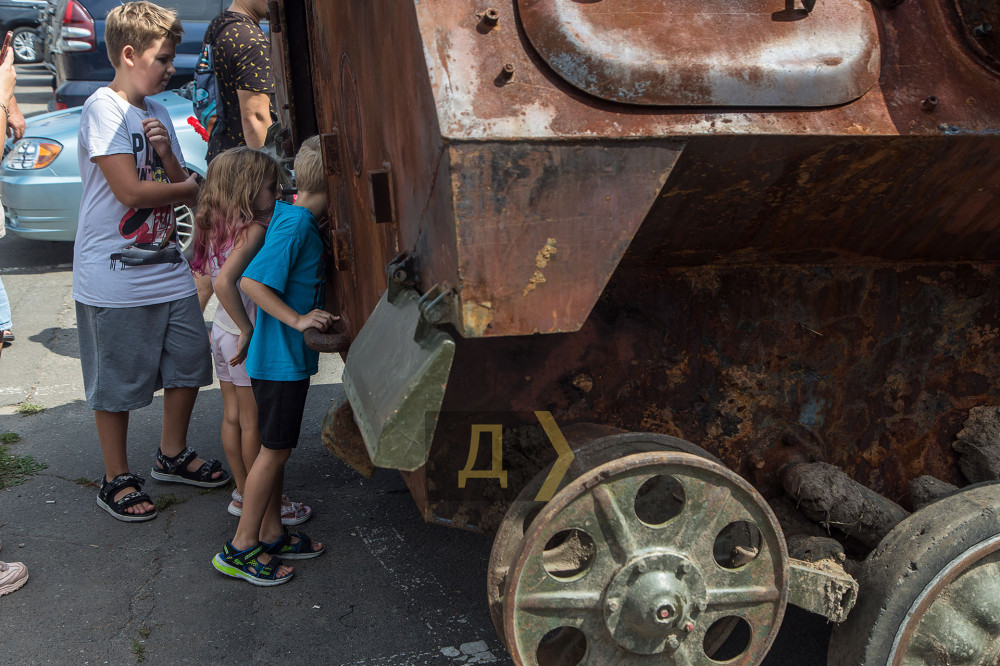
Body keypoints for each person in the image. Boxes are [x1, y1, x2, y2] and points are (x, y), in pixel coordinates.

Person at [74, 1, 230, 522]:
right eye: (162, 58)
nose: (170, 68)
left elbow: (177, 182)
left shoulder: (157, 112)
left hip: (167, 269)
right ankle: (115, 476)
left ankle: (172, 454)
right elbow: (132, 192)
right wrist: (190, 186)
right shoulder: (103, 109)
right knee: (116, 384)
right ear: (129, 54)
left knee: (189, 362)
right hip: (113, 277)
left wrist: (168, 159)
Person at [212, 136, 333, 586]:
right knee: (274, 451)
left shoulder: (295, 218)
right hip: (279, 359)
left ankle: (271, 532)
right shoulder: (297, 222)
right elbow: (250, 283)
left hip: (279, 359)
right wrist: (298, 320)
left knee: (274, 450)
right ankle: (240, 548)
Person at [190, 146, 310, 525]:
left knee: (233, 417)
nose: (277, 195)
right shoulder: (254, 229)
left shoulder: (213, 222)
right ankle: (257, 502)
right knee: (254, 427)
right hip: (243, 335)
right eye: (271, 188)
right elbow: (226, 282)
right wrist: (247, 327)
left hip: (221, 330)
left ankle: (243, 491)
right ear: (246, 189)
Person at [202, 0, 273, 164]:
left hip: (222, 159)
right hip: (245, 168)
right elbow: (255, 118)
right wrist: (270, 171)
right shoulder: (252, 41)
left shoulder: (220, 23)